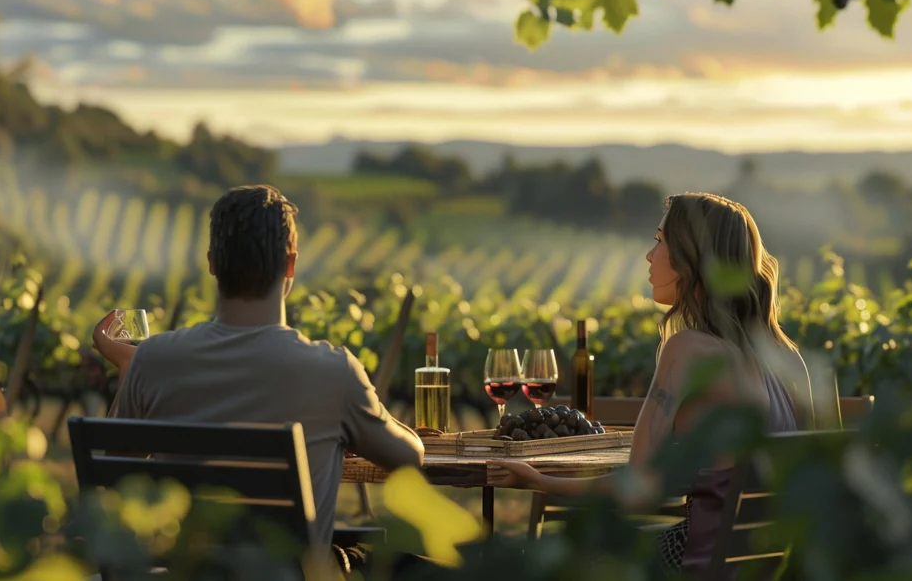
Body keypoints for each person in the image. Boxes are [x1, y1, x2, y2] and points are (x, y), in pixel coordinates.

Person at [91, 184, 425, 575]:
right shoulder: (333, 371)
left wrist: (130, 370)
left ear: (213, 262)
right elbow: (410, 459)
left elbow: (113, 474)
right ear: (291, 265)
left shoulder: (152, 361)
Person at [489, 192, 815, 577]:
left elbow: (638, 488)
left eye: (660, 242)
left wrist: (538, 480)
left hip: (695, 564)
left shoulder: (688, 350)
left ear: (691, 258)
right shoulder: (788, 357)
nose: (649, 255)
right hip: (762, 569)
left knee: (541, 561)